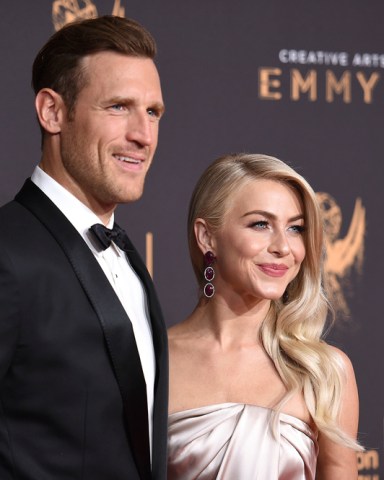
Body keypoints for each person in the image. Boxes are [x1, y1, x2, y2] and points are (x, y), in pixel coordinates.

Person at [0, 15, 168, 480]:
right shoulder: (7, 252)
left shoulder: (129, 258)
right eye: (118, 107)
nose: (144, 135)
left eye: (153, 112)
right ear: (53, 112)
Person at [167, 153, 362, 479]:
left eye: (296, 228)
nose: (283, 246)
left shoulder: (326, 372)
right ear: (206, 237)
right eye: (261, 224)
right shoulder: (150, 359)